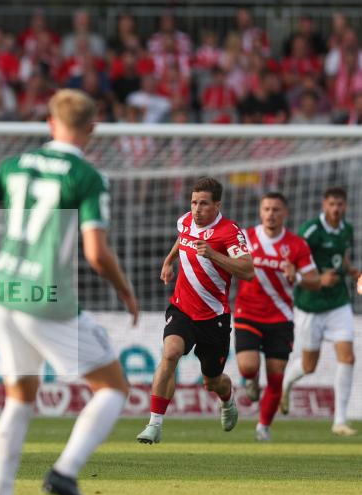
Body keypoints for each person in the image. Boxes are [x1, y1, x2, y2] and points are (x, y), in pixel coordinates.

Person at [0, 89, 139, 495]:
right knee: (113, 388)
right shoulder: (87, 176)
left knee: (19, 398)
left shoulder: (16, 164)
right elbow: (97, 253)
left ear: (50, 123)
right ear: (91, 129)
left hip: (3, 293)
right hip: (46, 298)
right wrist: (126, 291)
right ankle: (65, 473)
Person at [137, 177, 254, 444]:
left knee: (212, 381)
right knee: (171, 353)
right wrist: (169, 261)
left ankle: (227, 398)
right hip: (182, 309)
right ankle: (154, 424)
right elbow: (183, 239)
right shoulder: (186, 221)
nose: (196, 209)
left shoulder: (230, 232)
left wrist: (213, 255)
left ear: (217, 205)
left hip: (214, 318)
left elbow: (248, 270)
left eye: (203, 204)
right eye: (193, 202)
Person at [234, 193, 320, 442]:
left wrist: (298, 275)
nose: (271, 214)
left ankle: (263, 427)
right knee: (248, 366)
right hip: (247, 312)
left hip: (280, 317)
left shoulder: (296, 245)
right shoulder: (246, 238)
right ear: (260, 212)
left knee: (276, 376)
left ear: (286, 214)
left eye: (276, 210)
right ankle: (250, 380)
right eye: (267, 209)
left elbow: (315, 281)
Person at [282, 187, 361, 436]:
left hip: (338, 303)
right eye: (332, 204)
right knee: (309, 366)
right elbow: (291, 266)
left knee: (348, 358)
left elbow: (340, 257)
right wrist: (316, 280)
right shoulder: (310, 230)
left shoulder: (346, 229)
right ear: (323, 205)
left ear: (345, 206)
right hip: (310, 306)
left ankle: (339, 421)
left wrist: (352, 271)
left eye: (340, 204)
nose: (336, 208)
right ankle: (286, 383)